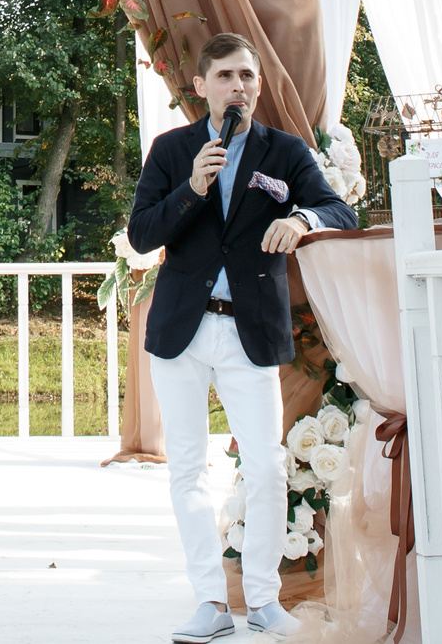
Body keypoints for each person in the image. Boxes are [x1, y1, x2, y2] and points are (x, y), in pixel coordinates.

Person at [128, 32, 357, 644]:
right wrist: (194, 188)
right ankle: (207, 599)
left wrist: (301, 218)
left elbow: (340, 211)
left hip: (251, 327)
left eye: (247, 77)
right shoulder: (173, 150)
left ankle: (262, 597)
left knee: (266, 466)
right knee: (187, 470)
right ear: (201, 87)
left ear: (259, 85)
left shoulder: (284, 152)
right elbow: (144, 232)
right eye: (225, 76)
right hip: (183, 326)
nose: (238, 87)